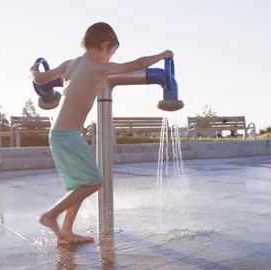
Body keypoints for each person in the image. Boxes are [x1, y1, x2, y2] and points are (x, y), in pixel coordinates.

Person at [29, 22, 174, 245]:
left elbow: (40, 79)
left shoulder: (71, 64)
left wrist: (33, 69)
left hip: (62, 134)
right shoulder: (101, 68)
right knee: (94, 183)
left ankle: (66, 233)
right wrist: (164, 54)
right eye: (113, 53)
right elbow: (139, 63)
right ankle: (50, 216)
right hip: (65, 135)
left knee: (81, 184)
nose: (112, 57)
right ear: (106, 45)